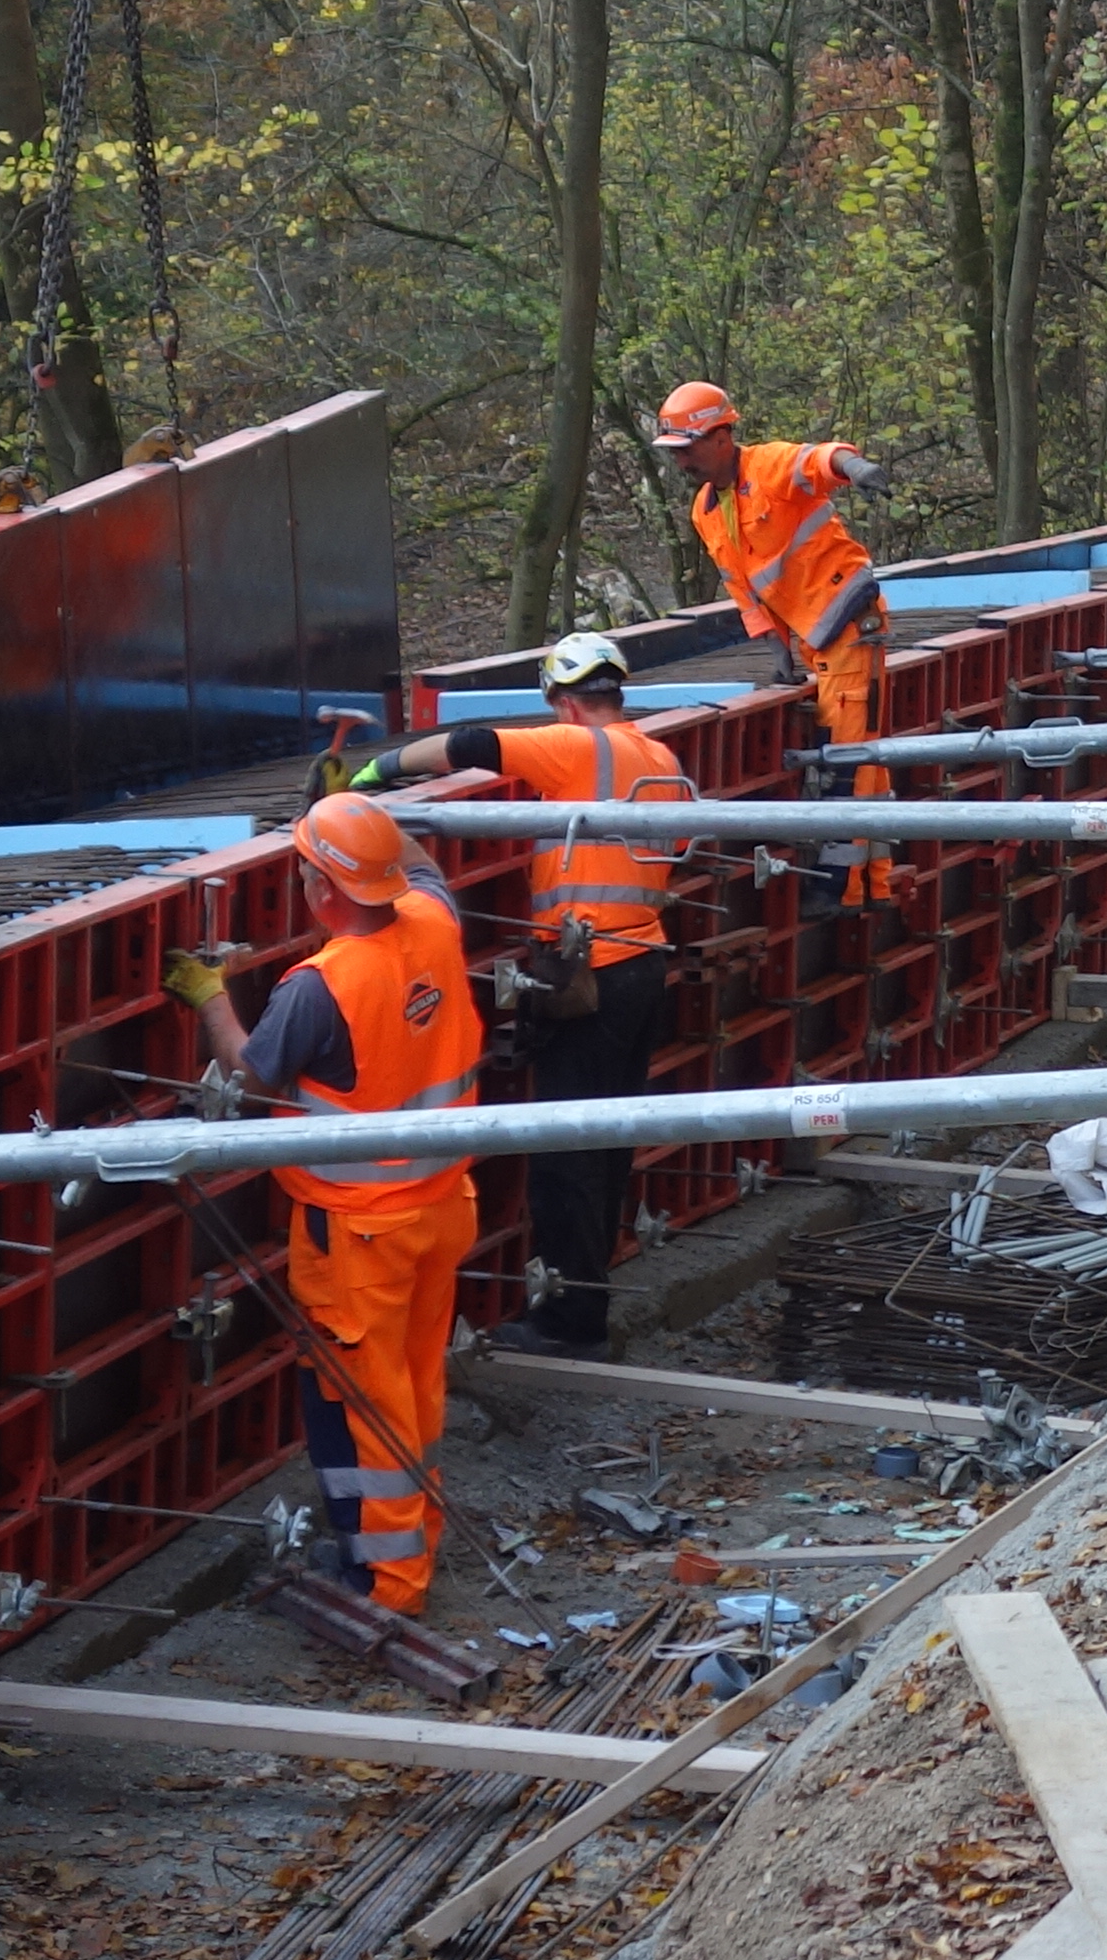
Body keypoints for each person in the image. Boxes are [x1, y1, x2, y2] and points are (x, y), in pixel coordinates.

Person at [173, 795, 483, 1615]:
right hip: (443, 1204)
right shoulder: (434, 921)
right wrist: (366, 800)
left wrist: (209, 997)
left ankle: (388, 1582)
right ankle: (413, 1543)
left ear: (319, 892)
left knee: (365, 1405)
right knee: (414, 1386)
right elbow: (421, 866)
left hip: (359, 1235)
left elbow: (250, 1076)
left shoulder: (320, 987)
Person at [347, 629, 694, 1354]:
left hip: (589, 975)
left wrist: (372, 777)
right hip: (643, 967)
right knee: (607, 1142)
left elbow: (469, 743)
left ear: (563, 701)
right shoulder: (656, 755)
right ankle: (588, 1296)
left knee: (564, 1150)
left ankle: (572, 1324)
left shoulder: (576, 747)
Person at [649, 381, 896, 900]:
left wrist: (856, 468)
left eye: (688, 449)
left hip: (849, 622)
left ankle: (842, 889)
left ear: (722, 436)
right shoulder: (706, 511)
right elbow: (742, 587)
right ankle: (869, 882)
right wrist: (774, 648)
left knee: (847, 761)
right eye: (674, 453)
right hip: (813, 636)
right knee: (855, 757)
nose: (682, 463)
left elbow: (817, 460)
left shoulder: (768, 466)